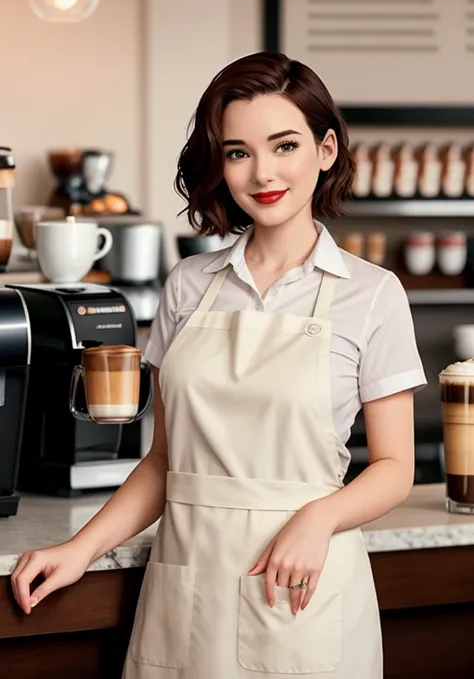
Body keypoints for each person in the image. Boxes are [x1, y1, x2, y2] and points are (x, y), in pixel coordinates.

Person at [11, 51, 427, 678]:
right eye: (238, 152)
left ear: (326, 149)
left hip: (300, 589)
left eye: (284, 145)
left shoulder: (372, 293)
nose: (262, 172)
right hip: (187, 585)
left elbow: (394, 468)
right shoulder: (188, 284)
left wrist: (321, 517)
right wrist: (80, 548)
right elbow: (164, 464)